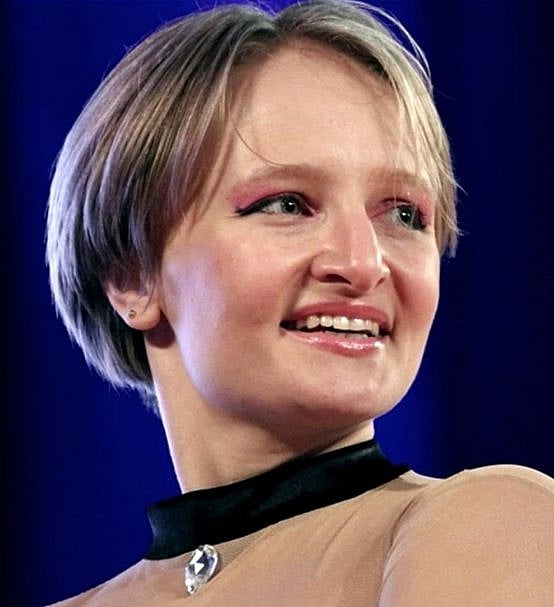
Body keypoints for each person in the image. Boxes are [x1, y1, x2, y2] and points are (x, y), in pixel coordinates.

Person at [45, 1, 554, 605]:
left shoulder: (487, 525)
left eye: (403, 215)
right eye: (288, 204)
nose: (363, 263)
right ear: (133, 278)